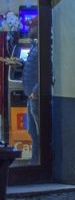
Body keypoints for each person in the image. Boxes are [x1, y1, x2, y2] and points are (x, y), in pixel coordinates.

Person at [21, 18, 40, 160]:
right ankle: (35, 161)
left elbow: (48, 70)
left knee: (40, 132)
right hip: (31, 97)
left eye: (31, 27)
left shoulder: (44, 46)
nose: (29, 30)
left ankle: (40, 161)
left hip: (36, 98)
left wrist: (36, 91)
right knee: (33, 132)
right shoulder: (36, 46)